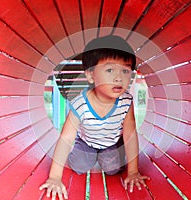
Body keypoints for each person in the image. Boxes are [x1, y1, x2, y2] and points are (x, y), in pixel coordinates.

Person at [39, 35, 149, 200]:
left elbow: (130, 134)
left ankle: (108, 156)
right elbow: (66, 137)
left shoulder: (126, 101)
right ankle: (90, 154)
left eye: (125, 70)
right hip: (86, 141)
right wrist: (55, 176)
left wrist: (133, 171)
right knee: (79, 166)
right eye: (110, 70)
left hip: (111, 142)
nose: (119, 77)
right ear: (91, 75)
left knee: (112, 169)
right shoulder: (80, 104)